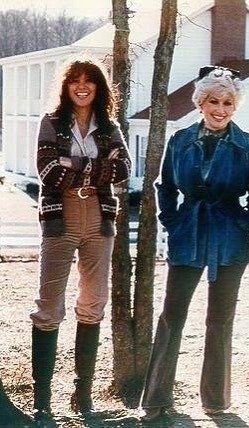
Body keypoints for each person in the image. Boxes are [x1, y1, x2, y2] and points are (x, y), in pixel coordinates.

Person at [139, 65, 249, 421]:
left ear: (235, 106)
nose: (220, 109)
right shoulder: (180, 141)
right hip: (188, 234)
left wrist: (245, 224)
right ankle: (156, 399)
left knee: (220, 320)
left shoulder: (248, 145)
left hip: (229, 238)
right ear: (200, 103)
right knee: (172, 316)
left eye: (227, 102)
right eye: (213, 101)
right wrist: (172, 222)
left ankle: (216, 401)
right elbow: (165, 187)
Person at [30, 55, 131, 424]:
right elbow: (49, 173)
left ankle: (82, 395)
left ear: (99, 87)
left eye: (89, 80)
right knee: (49, 306)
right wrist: (93, 168)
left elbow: (123, 169)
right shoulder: (52, 122)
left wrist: (74, 163)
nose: (82, 86)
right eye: (75, 80)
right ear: (66, 86)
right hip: (61, 218)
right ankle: (43, 401)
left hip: (99, 220)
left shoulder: (110, 126)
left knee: (93, 303)